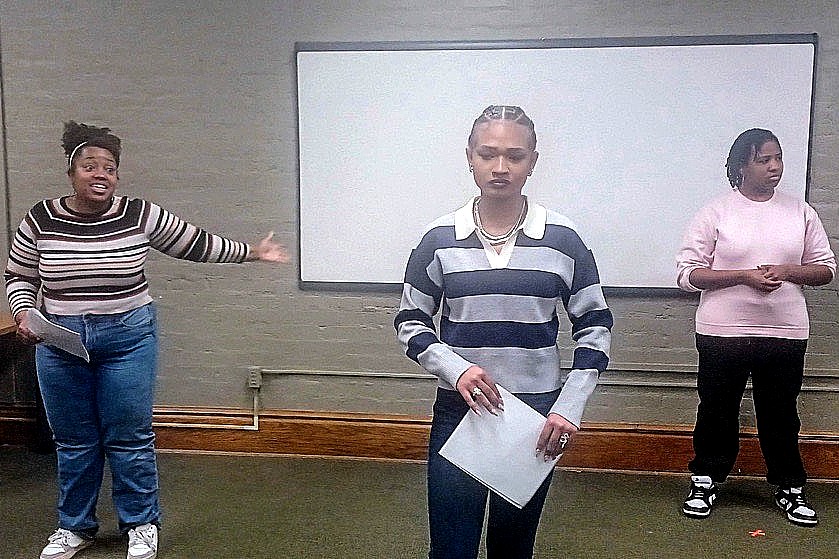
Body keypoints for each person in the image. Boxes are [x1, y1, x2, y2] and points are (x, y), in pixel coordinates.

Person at [4, 121, 290, 559]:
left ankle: (140, 523)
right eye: (90, 166)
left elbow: (193, 242)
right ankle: (74, 528)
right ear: (71, 172)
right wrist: (24, 310)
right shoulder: (39, 218)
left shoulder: (138, 214)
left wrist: (250, 252)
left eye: (110, 168)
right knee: (74, 440)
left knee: (129, 436)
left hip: (127, 340)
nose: (101, 174)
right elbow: (18, 277)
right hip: (59, 344)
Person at [394, 105, 613, 558]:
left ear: (533, 160)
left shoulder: (563, 238)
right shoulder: (439, 237)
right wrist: (455, 370)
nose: (500, 168)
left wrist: (569, 407)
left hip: (538, 417)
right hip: (460, 409)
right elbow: (410, 321)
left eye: (514, 156)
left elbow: (595, 327)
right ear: (469, 157)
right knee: (451, 548)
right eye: (487, 154)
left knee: (513, 549)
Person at [676, 128, 836, 526]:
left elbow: (826, 269)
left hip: (784, 333)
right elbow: (688, 274)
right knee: (717, 411)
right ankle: (705, 479)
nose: (775, 167)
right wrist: (742, 276)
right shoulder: (716, 212)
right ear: (741, 165)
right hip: (721, 332)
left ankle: (789, 487)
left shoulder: (800, 212)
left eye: (778, 158)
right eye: (764, 159)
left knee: (780, 414)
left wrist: (787, 271)